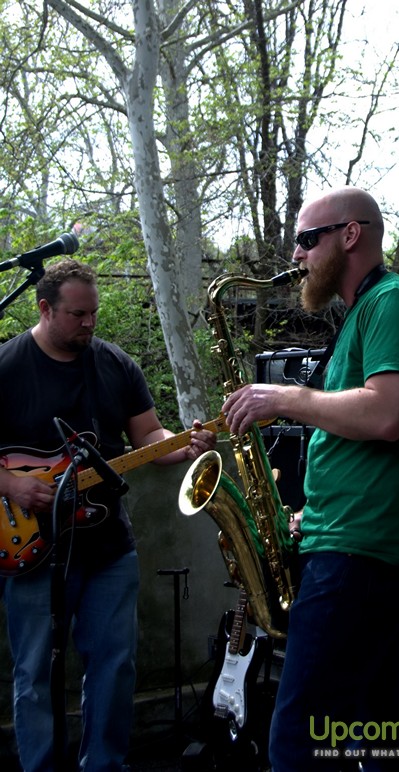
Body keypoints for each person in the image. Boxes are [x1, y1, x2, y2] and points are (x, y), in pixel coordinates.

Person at [222, 187, 399, 771]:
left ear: (350, 235)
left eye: (306, 239)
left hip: (358, 550)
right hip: (353, 543)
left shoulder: (393, 303)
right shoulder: (363, 313)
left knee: (298, 742)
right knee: (381, 736)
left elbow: (387, 413)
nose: (296, 254)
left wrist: (289, 398)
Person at [0, 258, 216, 772]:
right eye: (78, 314)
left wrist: (185, 444)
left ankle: (104, 766)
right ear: (45, 308)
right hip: (32, 553)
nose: (90, 323)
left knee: (116, 667)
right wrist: (12, 484)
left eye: (93, 313)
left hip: (108, 548)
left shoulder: (116, 364)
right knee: (35, 674)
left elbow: (148, 436)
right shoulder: (8, 366)